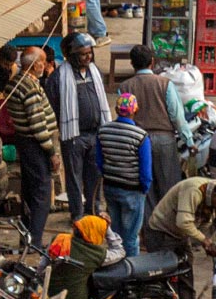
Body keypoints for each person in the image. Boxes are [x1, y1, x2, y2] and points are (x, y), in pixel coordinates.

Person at [49, 31, 110, 222]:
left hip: (96, 134)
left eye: (89, 52)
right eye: (83, 54)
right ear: (72, 55)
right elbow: (51, 107)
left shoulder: (96, 73)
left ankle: (94, 209)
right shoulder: (59, 77)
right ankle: (77, 214)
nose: (88, 57)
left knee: (95, 175)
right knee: (74, 179)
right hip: (73, 136)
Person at [6, 47, 60, 248]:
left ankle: (27, 238)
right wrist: (52, 153)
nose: (45, 65)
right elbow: (38, 126)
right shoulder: (28, 88)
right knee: (41, 194)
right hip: (35, 145)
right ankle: (34, 241)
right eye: (43, 61)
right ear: (35, 64)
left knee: (30, 192)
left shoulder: (17, 83)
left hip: (26, 142)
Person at [124, 45, 186, 207]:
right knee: (169, 186)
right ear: (152, 62)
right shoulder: (165, 84)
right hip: (164, 140)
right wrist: (189, 141)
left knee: (145, 187)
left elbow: (123, 116)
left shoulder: (125, 87)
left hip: (137, 140)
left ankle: (149, 227)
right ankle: (166, 224)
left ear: (132, 64)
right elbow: (177, 116)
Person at [96, 91, 153, 256]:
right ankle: (131, 272)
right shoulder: (141, 136)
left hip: (110, 187)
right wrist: (144, 188)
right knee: (130, 238)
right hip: (132, 191)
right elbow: (145, 171)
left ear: (116, 109)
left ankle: (116, 269)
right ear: (135, 111)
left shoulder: (103, 131)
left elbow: (99, 162)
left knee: (115, 235)